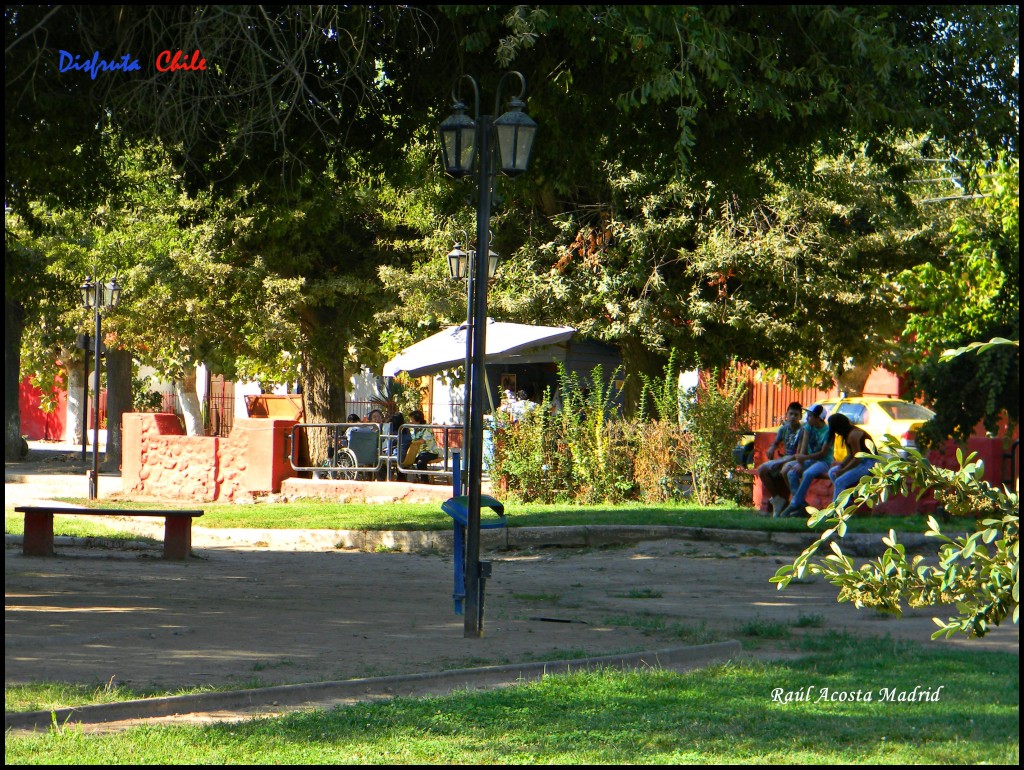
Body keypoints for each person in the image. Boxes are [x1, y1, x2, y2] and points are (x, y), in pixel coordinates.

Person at [779, 404, 834, 518]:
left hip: (823, 462)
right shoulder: (808, 428)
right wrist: (800, 462)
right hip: (809, 460)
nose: (807, 418)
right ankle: (801, 506)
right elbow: (804, 448)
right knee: (792, 473)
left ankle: (793, 504)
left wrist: (804, 459)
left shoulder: (828, 431)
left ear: (818, 418)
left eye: (810, 416)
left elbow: (823, 454)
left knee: (808, 473)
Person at [756, 401, 804, 517]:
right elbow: (776, 443)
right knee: (762, 469)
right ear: (786, 415)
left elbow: (799, 454)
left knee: (784, 469)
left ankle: (797, 504)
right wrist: (772, 448)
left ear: (800, 417)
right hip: (784, 458)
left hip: (795, 460)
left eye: (796, 415)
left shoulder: (802, 431)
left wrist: (782, 461)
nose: (793, 417)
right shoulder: (784, 429)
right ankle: (777, 499)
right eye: (791, 414)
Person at [825, 413, 878, 506]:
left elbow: (857, 459)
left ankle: (836, 509)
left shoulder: (853, 435)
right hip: (861, 461)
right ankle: (847, 501)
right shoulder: (847, 434)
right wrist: (841, 466)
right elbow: (850, 455)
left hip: (868, 462)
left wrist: (843, 471)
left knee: (839, 482)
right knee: (832, 472)